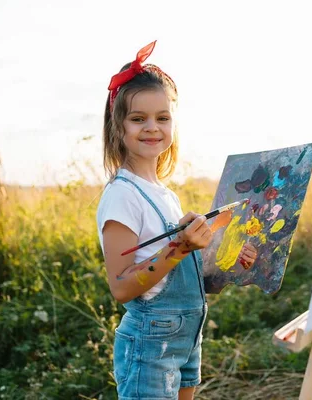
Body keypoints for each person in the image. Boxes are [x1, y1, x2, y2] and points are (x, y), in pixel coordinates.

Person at [96, 41, 257, 400]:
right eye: (138, 119)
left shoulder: (165, 194)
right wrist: (181, 245)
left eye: (162, 118)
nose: (152, 127)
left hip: (186, 337)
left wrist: (224, 254)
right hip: (151, 341)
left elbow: (183, 267)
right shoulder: (123, 195)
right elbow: (122, 286)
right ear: (118, 127)